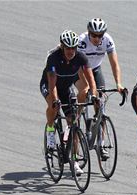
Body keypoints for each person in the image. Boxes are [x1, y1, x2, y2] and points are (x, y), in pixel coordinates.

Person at [40, 30, 98, 175]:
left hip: (65, 88)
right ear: (62, 47)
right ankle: (51, 131)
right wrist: (56, 101)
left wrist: (95, 95)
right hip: (49, 85)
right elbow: (52, 84)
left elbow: (91, 80)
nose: (71, 51)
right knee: (53, 107)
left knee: (73, 124)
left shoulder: (81, 57)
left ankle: (74, 160)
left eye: (73, 48)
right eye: (68, 48)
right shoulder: (53, 58)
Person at [78, 18, 127, 160]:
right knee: (84, 93)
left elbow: (114, 63)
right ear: (89, 33)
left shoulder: (108, 40)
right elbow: (79, 66)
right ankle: (76, 120)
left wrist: (118, 83)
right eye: (94, 35)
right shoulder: (82, 41)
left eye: (100, 35)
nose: (97, 38)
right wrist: (87, 86)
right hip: (81, 70)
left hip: (96, 69)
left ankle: (102, 143)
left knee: (101, 104)